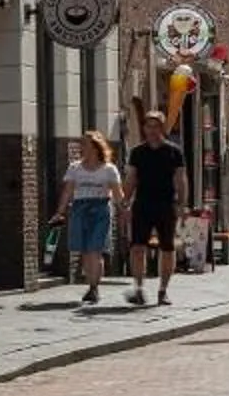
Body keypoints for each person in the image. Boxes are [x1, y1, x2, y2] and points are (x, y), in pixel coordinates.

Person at [124, 111, 188, 305]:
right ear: (144, 129)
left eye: (156, 126)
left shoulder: (174, 151)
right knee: (137, 247)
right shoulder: (137, 152)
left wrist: (182, 204)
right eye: (148, 126)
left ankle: (163, 290)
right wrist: (125, 202)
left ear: (162, 128)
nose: (152, 130)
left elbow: (180, 179)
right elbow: (131, 178)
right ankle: (139, 288)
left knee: (167, 247)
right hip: (142, 204)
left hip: (166, 204)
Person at [57, 131, 121, 306]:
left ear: (95, 147)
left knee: (95, 249)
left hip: (100, 209)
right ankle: (91, 285)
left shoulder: (109, 169)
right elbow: (68, 191)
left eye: (84, 144)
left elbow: (117, 194)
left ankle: (94, 287)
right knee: (85, 250)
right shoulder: (75, 168)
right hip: (80, 209)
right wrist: (60, 211)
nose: (81, 147)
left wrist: (124, 209)